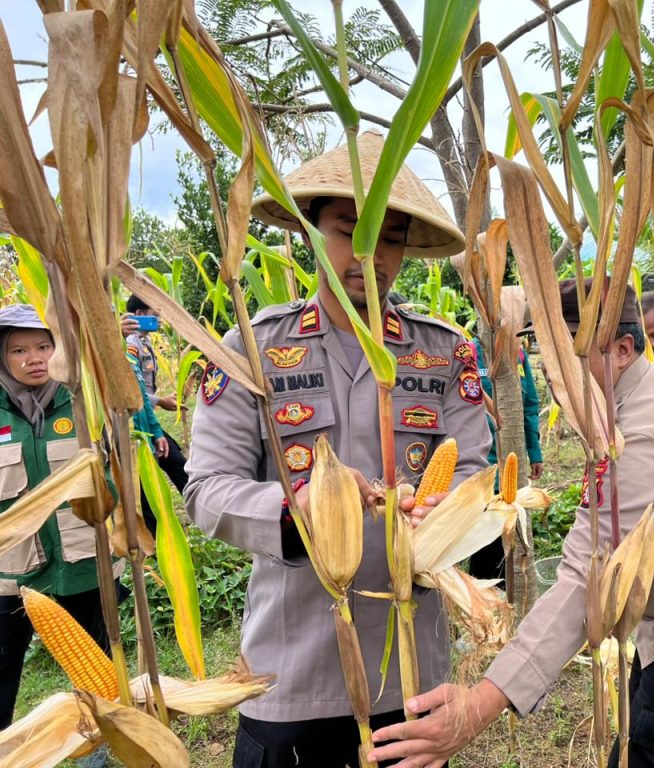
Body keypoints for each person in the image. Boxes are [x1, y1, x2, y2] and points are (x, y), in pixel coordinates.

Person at [184, 131, 491, 768]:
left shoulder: (446, 351)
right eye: (350, 230)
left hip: (413, 666)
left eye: (391, 237)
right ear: (310, 232)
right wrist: (305, 507)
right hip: (292, 669)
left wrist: (441, 508)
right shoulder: (252, 349)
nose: (370, 255)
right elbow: (206, 490)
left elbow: (472, 470)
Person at [369, 279, 654, 768]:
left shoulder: (646, 434)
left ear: (622, 350)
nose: (547, 370)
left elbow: (585, 581)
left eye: (561, 353)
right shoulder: (625, 403)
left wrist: (481, 703)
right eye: (545, 352)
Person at [0, 305, 120, 766]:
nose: (34, 358)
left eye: (44, 346)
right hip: (12, 573)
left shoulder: (85, 402)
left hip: (81, 565)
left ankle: (101, 748)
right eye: (19, 350)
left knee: (96, 667)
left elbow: (117, 479)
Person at [467, 337, 543, 583]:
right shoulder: (469, 353)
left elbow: (529, 405)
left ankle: (511, 587)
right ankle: (484, 591)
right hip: (481, 463)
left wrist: (535, 452)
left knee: (511, 528)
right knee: (484, 536)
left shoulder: (518, 355)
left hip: (512, 462)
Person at [120, 297, 185, 535]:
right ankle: (156, 536)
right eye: (155, 313)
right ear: (139, 313)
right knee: (148, 480)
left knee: (177, 463)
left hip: (148, 420)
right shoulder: (128, 344)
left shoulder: (145, 343)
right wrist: (162, 402)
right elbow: (133, 389)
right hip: (134, 423)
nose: (159, 319)